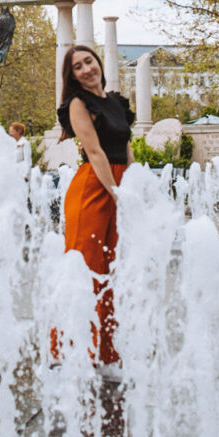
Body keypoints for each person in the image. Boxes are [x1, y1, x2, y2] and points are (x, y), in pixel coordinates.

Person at [51, 44, 135, 368]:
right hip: (93, 189)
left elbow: (126, 149)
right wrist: (116, 193)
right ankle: (64, 353)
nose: (86, 69)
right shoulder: (77, 104)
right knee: (85, 270)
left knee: (111, 271)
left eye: (89, 61)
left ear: (98, 63)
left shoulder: (116, 103)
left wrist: (134, 185)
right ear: (71, 76)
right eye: (77, 67)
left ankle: (105, 353)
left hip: (118, 184)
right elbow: (96, 152)